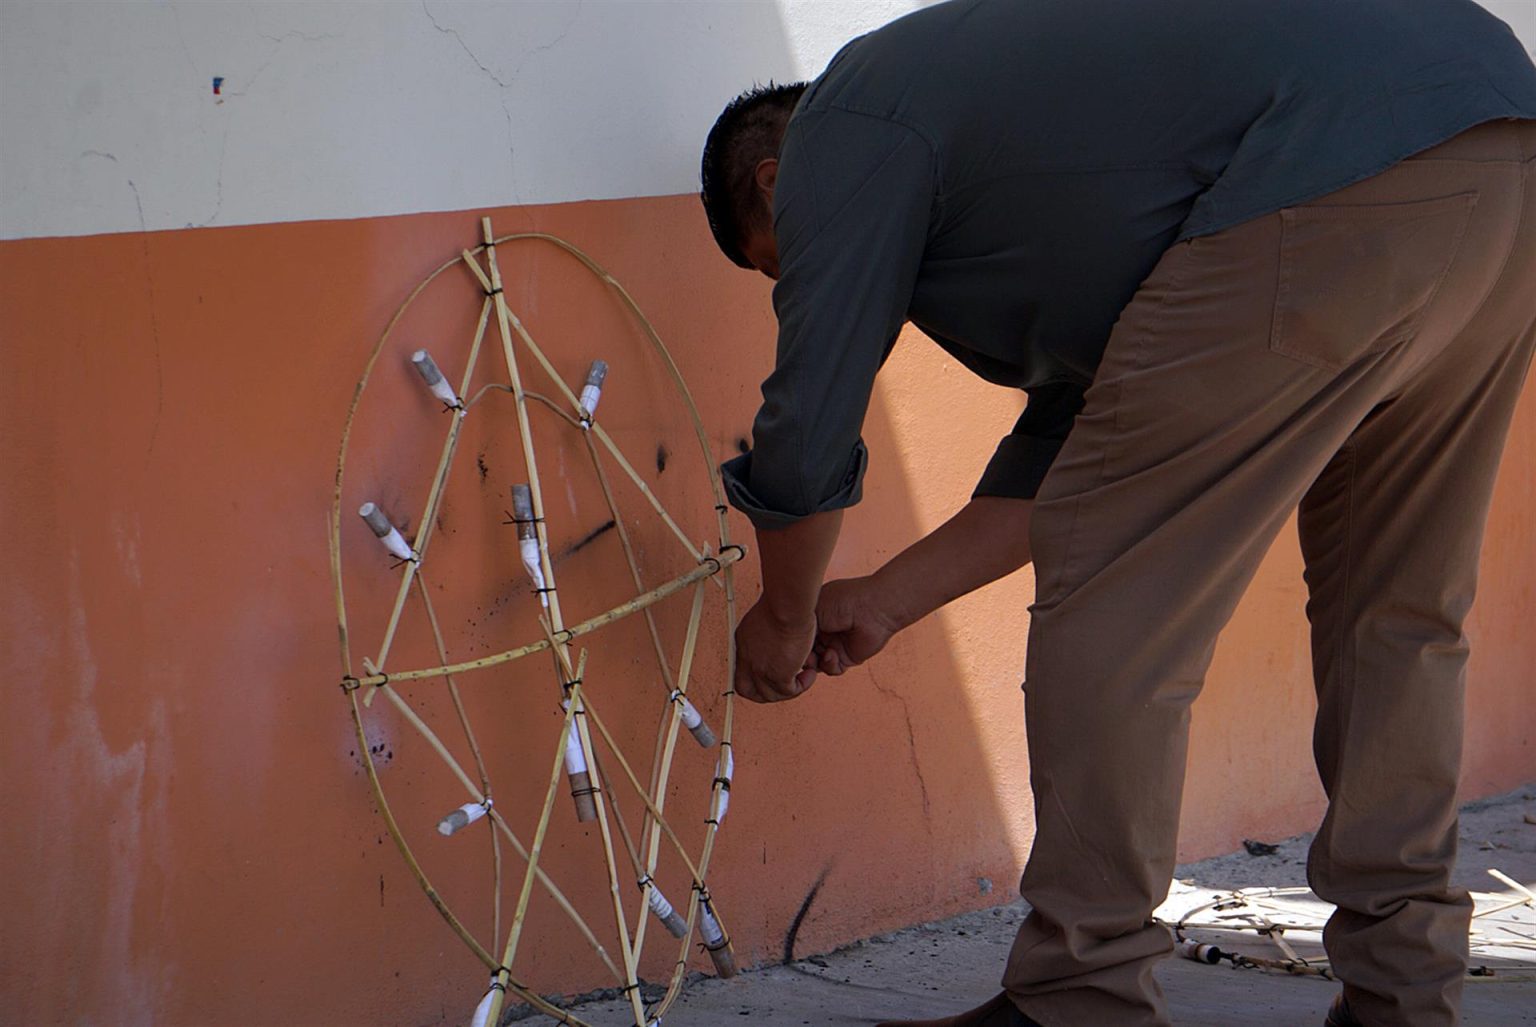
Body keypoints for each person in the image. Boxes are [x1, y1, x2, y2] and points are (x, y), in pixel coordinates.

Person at [699, 1, 1536, 1024]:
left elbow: (812, 412)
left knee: (1112, 613)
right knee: (1396, 616)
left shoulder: (846, 124)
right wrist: (882, 597)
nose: (812, 281)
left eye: (781, 263)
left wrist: (782, 613)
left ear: (775, 184)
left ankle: (1079, 994)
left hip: (1327, 170)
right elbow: (1088, 435)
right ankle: (1405, 992)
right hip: (1500, 145)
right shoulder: (1036, 146)